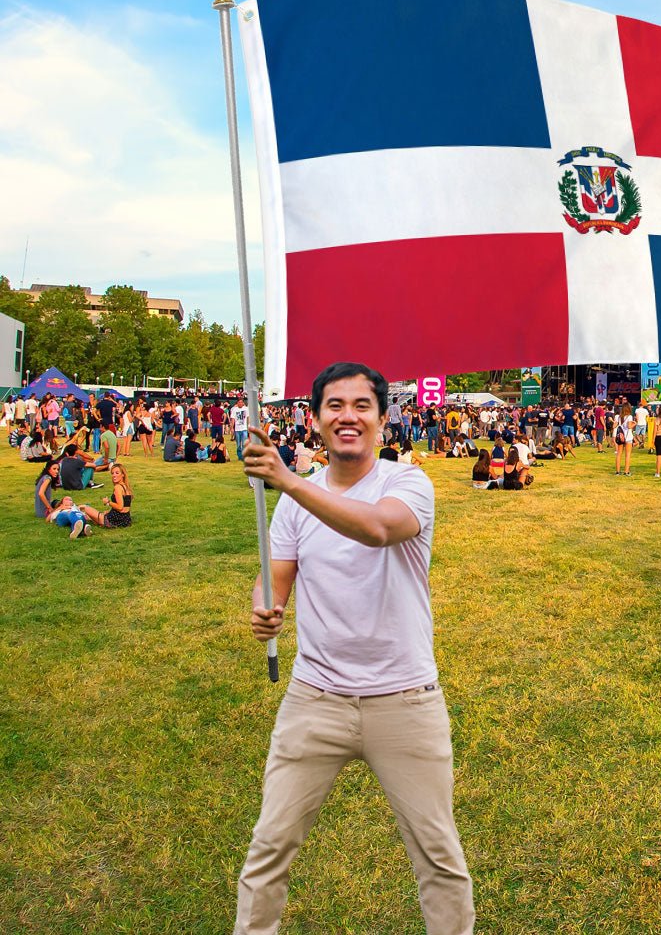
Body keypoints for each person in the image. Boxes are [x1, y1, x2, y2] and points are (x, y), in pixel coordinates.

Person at [236, 362, 474, 934]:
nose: (348, 416)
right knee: (268, 850)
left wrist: (288, 480)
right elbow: (278, 575)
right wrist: (264, 606)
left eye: (361, 405)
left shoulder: (407, 483)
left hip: (405, 700)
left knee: (438, 859)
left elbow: (376, 528)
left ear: (383, 419)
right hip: (314, 698)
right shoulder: (297, 501)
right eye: (334, 405)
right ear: (316, 419)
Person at [81, 463, 133, 529]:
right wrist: (109, 511)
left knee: (85, 508)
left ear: (123, 474)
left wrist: (108, 502)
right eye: (112, 473)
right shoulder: (126, 487)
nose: (114, 475)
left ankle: (72, 510)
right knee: (90, 516)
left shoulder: (118, 487)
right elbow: (125, 506)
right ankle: (83, 517)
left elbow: (120, 507)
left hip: (114, 520)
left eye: (117, 473)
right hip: (126, 520)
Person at [614, 403, 635, 476]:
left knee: (619, 454)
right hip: (628, 437)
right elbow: (629, 426)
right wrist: (635, 423)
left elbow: (614, 426)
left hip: (620, 437)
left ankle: (617, 471)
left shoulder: (619, 417)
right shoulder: (629, 417)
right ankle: (626, 471)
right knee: (627, 455)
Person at [231, 396, 250, 461]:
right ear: (237, 403)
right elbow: (233, 419)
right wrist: (232, 428)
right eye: (239, 402)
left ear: (243, 403)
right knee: (238, 444)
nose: (240, 403)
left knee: (244, 443)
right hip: (237, 429)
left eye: (241, 402)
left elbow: (248, 418)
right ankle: (240, 456)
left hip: (244, 428)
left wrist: (248, 426)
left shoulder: (246, 409)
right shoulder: (234, 409)